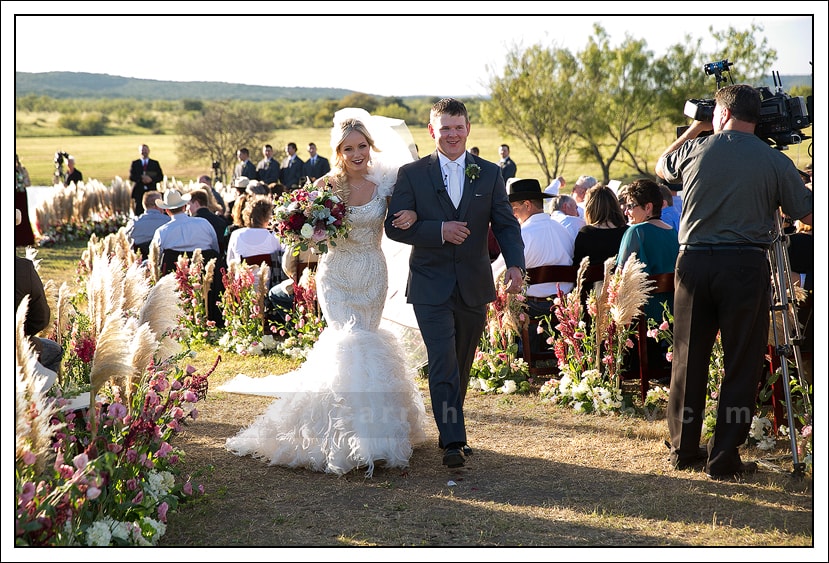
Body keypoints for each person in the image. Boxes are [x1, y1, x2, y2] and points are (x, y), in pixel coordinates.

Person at [220, 108, 427, 477]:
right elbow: (299, 233)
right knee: (344, 343)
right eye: (349, 148)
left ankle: (376, 436)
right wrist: (307, 234)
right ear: (339, 152)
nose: (357, 153)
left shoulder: (386, 185)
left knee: (366, 340)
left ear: (370, 147)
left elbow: (404, 217)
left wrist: (410, 218)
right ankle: (341, 438)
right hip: (335, 275)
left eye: (362, 145)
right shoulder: (324, 188)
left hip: (372, 273)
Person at [655, 84, 813, 480]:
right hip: (744, 266)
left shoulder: (695, 149)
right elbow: (803, 210)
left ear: (720, 115)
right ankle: (724, 457)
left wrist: (695, 128)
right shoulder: (774, 161)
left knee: (689, 358)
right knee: (741, 361)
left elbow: (661, 166)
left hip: (691, 264)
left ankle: (683, 448)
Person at [385, 98, 525, 469]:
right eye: (444, 127)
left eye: (458, 127)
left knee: (461, 363)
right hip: (430, 284)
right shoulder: (411, 174)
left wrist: (515, 265)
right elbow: (392, 226)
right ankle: (453, 440)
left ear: (467, 130)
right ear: (432, 131)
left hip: (474, 284)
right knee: (443, 360)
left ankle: (451, 421)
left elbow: (506, 225)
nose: (452, 134)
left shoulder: (491, 173)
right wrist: (438, 230)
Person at [616, 178, 679, 379]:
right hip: (674, 309)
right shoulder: (673, 232)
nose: (626, 211)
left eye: (631, 206)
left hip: (646, 311)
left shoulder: (636, 232)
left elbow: (620, 275)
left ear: (648, 207)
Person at [491, 177, 572, 328]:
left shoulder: (522, 234)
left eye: (513, 208)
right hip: (564, 308)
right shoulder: (563, 230)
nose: (512, 214)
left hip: (532, 309)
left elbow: (496, 272)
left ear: (527, 205)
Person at [15, 209, 63, 378]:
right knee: (54, 350)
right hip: (15, 347)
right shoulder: (23, 269)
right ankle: (34, 400)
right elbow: (40, 319)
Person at [573, 184, 629, 269]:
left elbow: (577, 266)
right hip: (622, 281)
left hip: (592, 281)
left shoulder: (586, 234)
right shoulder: (628, 232)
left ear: (590, 208)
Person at [151, 189, 219, 257]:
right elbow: (215, 249)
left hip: (172, 267)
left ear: (167, 210)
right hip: (203, 266)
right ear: (184, 207)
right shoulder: (204, 224)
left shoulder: (161, 232)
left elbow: (154, 257)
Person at [225, 196, 281, 267]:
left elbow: (230, 262)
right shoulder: (274, 236)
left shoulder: (236, 235)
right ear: (267, 216)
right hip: (269, 277)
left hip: (244, 277)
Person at [124, 191, 171, 258]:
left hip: (139, 262)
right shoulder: (168, 222)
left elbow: (128, 241)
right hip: (162, 262)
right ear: (157, 205)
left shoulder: (133, 223)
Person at [186, 188, 229, 260]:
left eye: (189, 204)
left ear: (196, 203)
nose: (187, 208)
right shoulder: (220, 221)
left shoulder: (190, 223)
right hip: (218, 261)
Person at [129, 144, 164, 216]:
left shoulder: (154, 163)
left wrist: (151, 180)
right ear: (139, 152)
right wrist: (141, 179)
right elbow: (132, 176)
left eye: (145, 150)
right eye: (142, 150)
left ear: (148, 151)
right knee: (138, 210)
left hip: (152, 190)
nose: (144, 152)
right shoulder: (135, 163)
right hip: (139, 192)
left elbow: (160, 177)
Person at [15, 154, 36, 247]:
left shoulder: (22, 170)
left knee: (23, 215)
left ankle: (25, 238)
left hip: (21, 194)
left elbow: (28, 182)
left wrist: (21, 183)